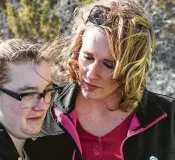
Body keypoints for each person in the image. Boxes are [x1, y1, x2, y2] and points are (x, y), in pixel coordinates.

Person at [23, 0, 175, 160]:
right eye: (88, 57)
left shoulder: (170, 118)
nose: (91, 73)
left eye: (108, 64)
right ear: (76, 51)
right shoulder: (41, 109)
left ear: (132, 68)